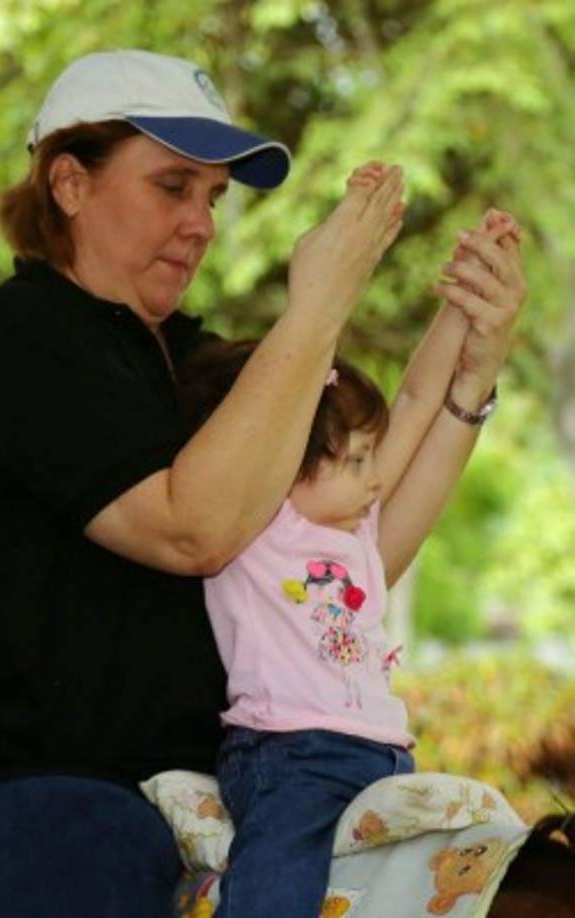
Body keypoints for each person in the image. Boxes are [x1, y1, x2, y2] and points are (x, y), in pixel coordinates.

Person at [0, 46, 524, 916]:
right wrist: (318, 308)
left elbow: (344, 563)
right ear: (69, 183)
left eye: (213, 195)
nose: (203, 222)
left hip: (218, 798)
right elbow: (191, 530)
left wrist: (472, 376)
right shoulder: (16, 335)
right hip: (37, 799)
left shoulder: (210, 371)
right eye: (173, 185)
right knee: (103, 832)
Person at [175, 208, 524, 917]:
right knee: (279, 885)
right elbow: (273, 418)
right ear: (290, 462)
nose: (375, 476)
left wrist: (461, 307)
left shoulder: (354, 529)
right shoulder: (262, 526)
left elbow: (423, 397)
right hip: (291, 755)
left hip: (383, 753)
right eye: (357, 456)